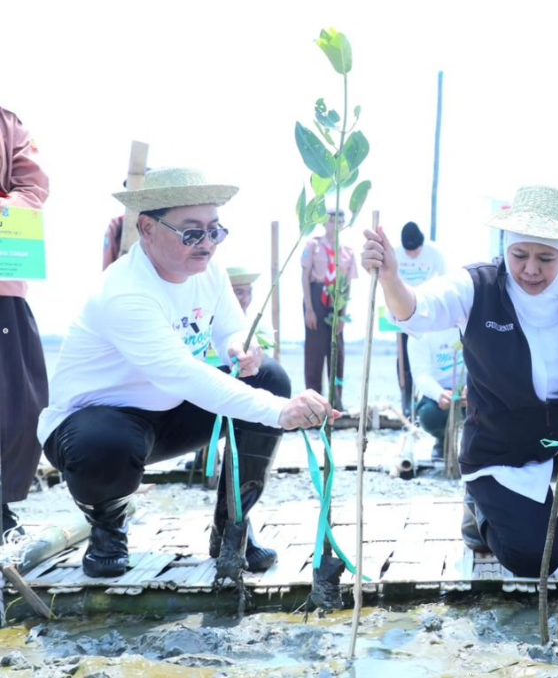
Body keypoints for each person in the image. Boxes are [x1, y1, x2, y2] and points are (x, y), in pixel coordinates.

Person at [39, 167, 337, 578]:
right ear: (147, 228)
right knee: (104, 440)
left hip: (172, 413)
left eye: (215, 231)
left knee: (268, 377)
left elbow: (230, 330)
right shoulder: (126, 293)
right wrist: (280, 412)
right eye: (192, 232)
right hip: (97, 422)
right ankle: (108, 529)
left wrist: (239, 348)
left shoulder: (209, 271)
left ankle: (232, 528)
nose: (207, 244)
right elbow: (182, 373)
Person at [362, 185, 558, 579]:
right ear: (507, 248)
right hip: (500, 444)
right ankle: (480, 511)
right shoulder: (478, 285)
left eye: (546, 258)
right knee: (538, 561)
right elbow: (417, 310)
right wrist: (391, 280)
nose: (531, 270)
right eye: (520, 255)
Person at [0, 106, 50, 539]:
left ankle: (2, 504)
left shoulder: (8, 123)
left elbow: (33, 186)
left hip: (2, 282)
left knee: (17, 402)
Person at [301, 210, 357, 411]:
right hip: (316, 296)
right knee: (315, 351)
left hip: (337, 299)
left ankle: (336, 401)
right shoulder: (313, 245)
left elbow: (347, 284)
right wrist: (309, 308)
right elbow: (305, 276)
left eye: (341, 220)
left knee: (336, 350)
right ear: (325, 223)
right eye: (333, 220)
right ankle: (313, 400)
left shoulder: (347, 252)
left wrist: (342, 314)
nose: (337, 224)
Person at [395, 222, 447, 417]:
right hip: (402, 309)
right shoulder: (395, 253)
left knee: (426, 355)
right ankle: (406, 399)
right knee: (404, 358)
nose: (412, 255)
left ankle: (429, 394)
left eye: (416, 251)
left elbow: (444, 279)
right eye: (409, 252)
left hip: (427, 309)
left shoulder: (434, 253)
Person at [407, 327, 467, 461]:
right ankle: (443, 440)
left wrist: (473, 387)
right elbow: (421, 374)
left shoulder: (473, 323)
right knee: (430, 415)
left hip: (472, 386)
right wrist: (439, 393)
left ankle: (476, 444)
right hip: (439, 389)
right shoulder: (420, 331)